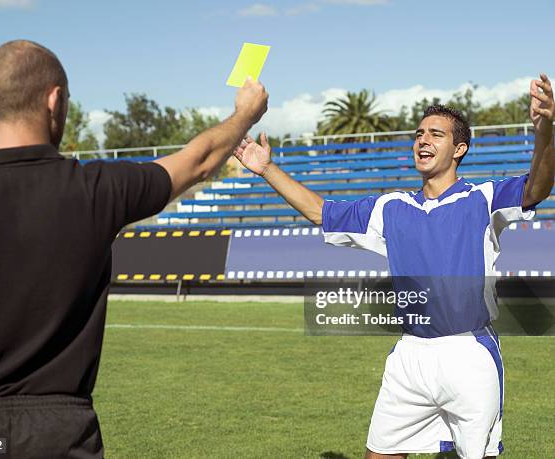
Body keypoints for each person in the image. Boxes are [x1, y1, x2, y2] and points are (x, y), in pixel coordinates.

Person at [0, 39, 267, 458]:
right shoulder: (98, 190)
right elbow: (199, 161)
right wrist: (245, 113)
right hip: (59, 435)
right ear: (56, 100)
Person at [233, 75, 554, 458]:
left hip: (469, 354)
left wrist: (546, 131)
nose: (423, 140)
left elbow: (537, 187)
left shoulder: (482, 199)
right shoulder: (390, 207)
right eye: (419, 133)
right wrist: (267, 169)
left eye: (436, 134)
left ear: (459, 149)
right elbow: (320, 212)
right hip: (409, 355)